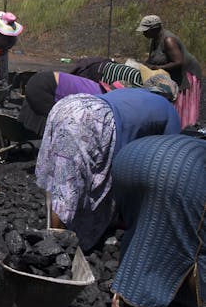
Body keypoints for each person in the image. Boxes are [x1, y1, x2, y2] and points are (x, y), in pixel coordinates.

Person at [35, 81, 181, 251]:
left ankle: (52, 232)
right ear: (172, 98)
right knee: (72, 186)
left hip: (68, 105)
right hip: (92, 119)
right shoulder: (169, 109)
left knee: (58, 174)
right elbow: (172, 156)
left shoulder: (134, 94)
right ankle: (55, 248)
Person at [110, 134, 206, 307]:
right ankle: (150, 302)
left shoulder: (195, 142)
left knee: (142, 227)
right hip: (179, 176)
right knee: (194, 245)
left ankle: (125, 296)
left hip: (131, 159)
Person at [137, 15, 202, 128]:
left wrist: (158, 68)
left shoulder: (168, 40)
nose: (144, 34)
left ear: (155, 29)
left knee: (181, 102)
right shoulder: (155, 40)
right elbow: (153, 58)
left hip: (185, 73)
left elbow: (178, 61)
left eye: (146, 31)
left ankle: (184, 127)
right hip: (172, 71)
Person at [18, 70, 104, 135]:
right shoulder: (97, 99)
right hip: (44, 87)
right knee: (55, 125)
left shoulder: (95, 87)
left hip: (40, 79)